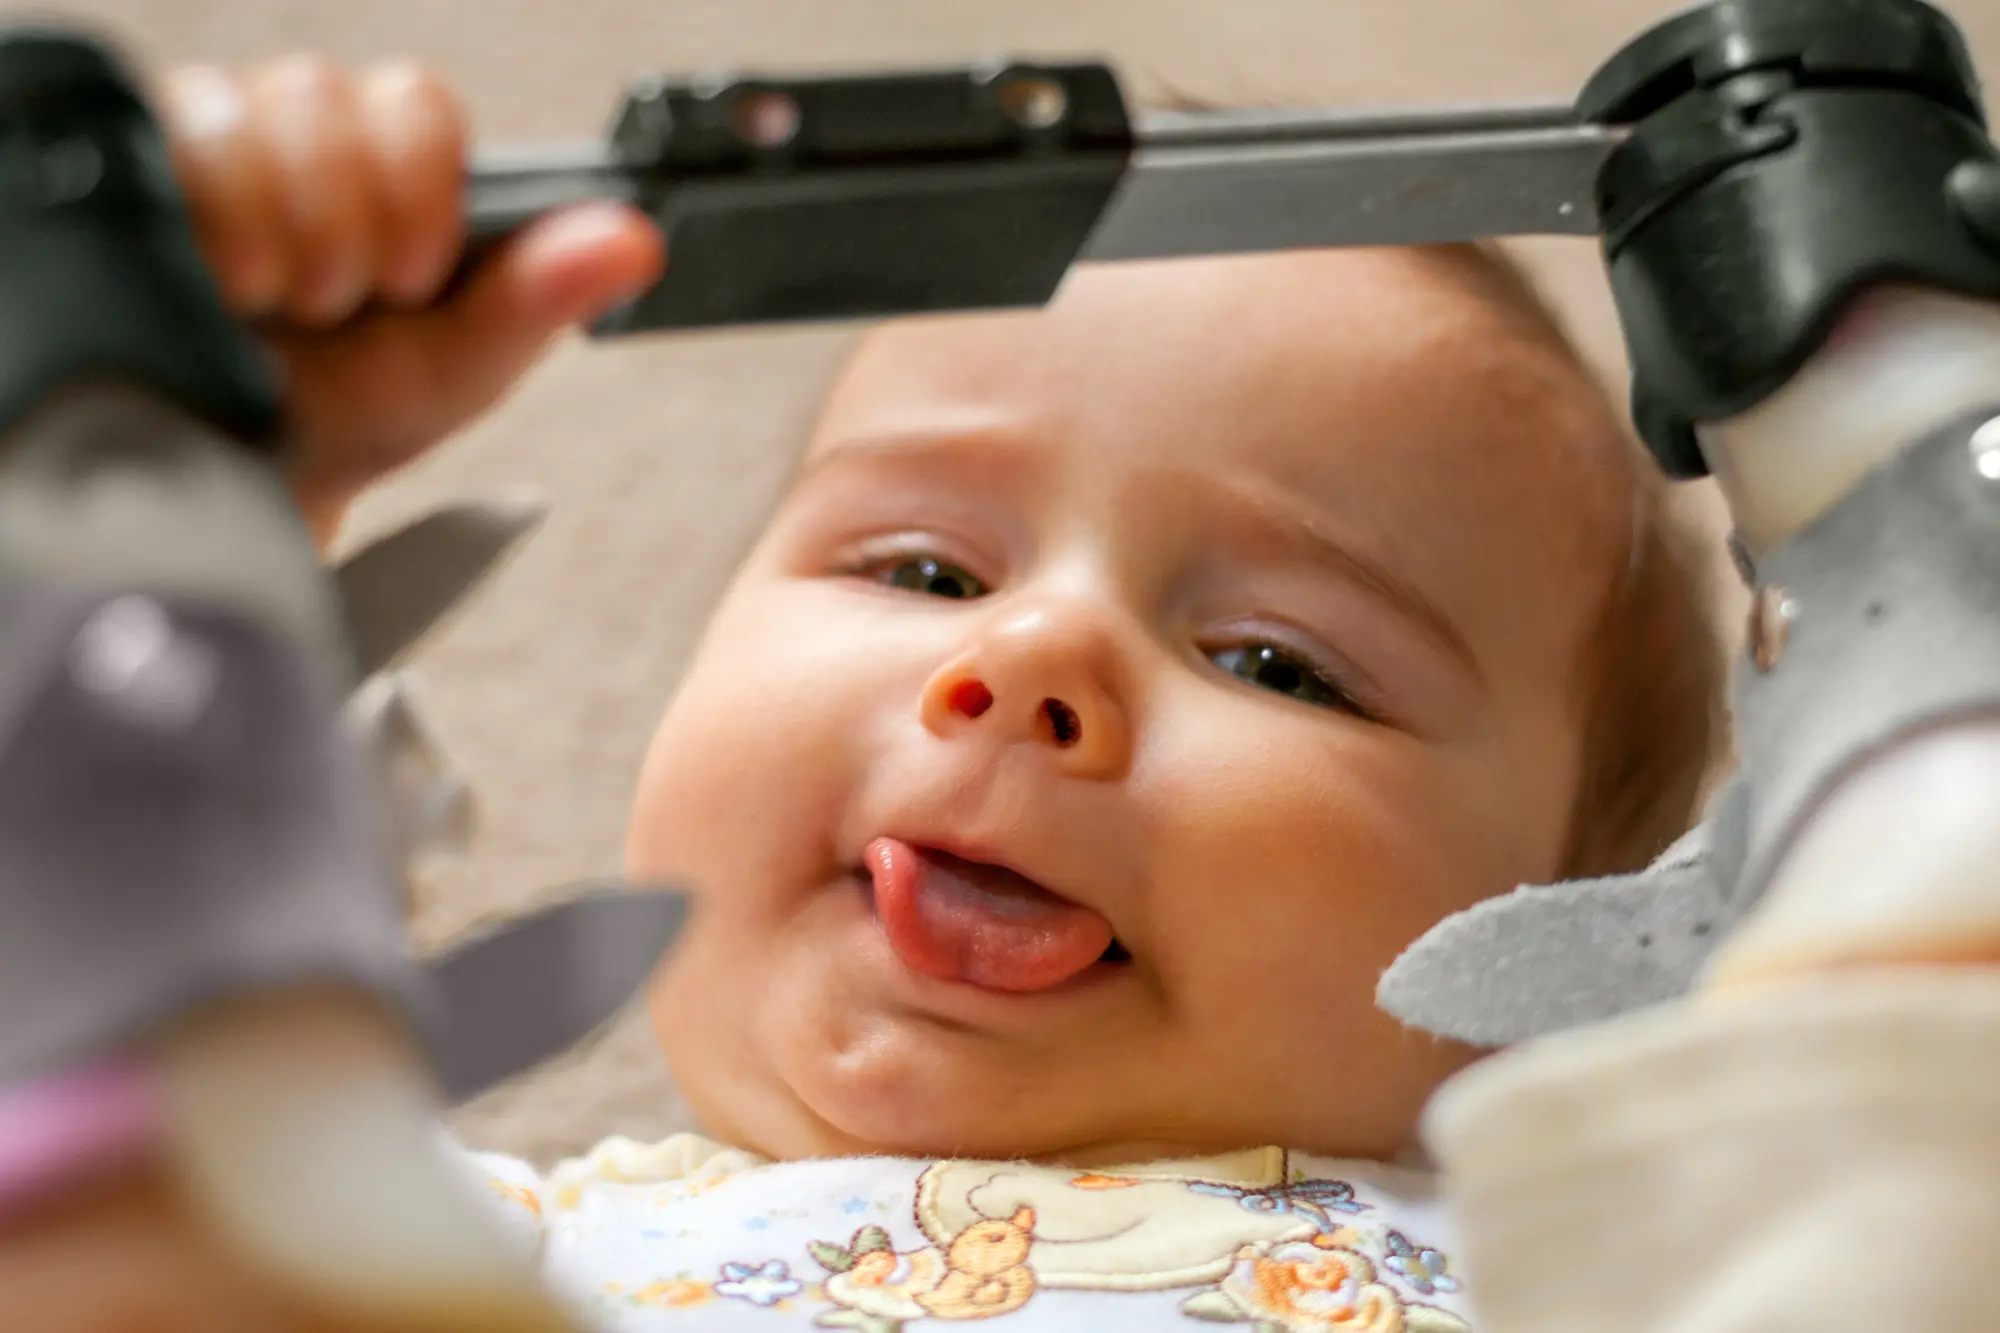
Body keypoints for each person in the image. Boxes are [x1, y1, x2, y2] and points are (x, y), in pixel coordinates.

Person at [29, 52, 1890, 1333]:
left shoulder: (1609, 1260)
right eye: (920, 571)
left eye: (1277, 664)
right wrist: (194, 507)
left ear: (1570, 959)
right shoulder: (426, 1215)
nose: (1023, 667)